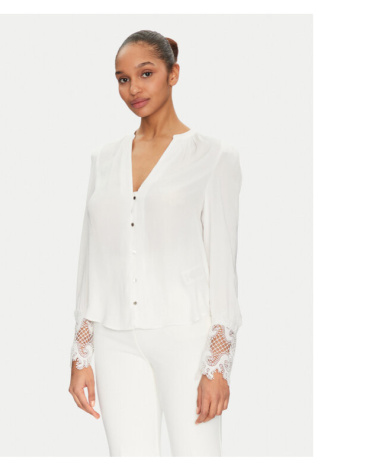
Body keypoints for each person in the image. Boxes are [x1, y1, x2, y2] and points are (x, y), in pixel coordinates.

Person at [68, 30, 243, 457]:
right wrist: (81, 353)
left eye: (146, 74)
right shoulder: (103, 159)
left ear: (173, 74)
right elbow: (91, 258)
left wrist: (217, 364)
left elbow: (223, 263)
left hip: (186, 339)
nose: (134, 88)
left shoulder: (212, 156)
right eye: (123, 79)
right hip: (114, 340)